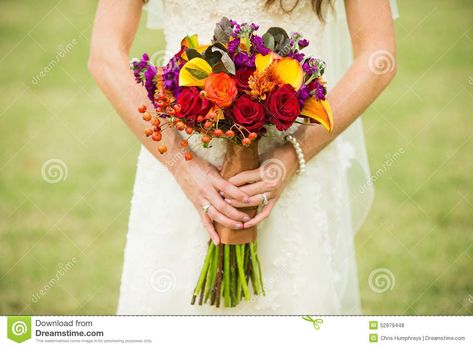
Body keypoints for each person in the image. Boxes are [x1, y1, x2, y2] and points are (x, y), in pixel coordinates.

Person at [88, 0, 398, 314]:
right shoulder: (180, 168)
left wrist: (292, 156)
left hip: (296, 168)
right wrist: (182, 166)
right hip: (180, 165)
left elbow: (378, 54)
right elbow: (104, 55)